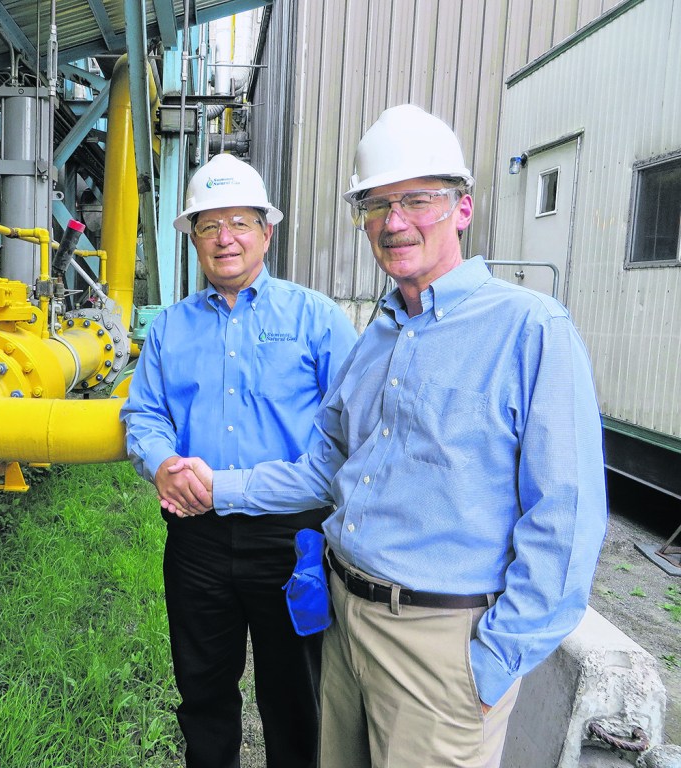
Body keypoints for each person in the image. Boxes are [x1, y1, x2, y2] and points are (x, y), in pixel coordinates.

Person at [167, 105, 608, 768]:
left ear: (462, 208)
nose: (395, 222)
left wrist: (495, 660)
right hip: (346, 625)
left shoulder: (529, 330)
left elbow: (566, 520)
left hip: (442, 647)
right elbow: (324, 469)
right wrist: (213, 487)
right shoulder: (377, 337)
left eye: (418, 200)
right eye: (376, 205)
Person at [120, 153, 358, 768]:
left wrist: (221, 486)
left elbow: (350, 437)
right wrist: (162, 463)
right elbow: (143, 415)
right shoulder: (170, 329)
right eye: (208, 225)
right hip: (195, 540)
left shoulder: (317, 320)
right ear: (193, 238)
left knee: (296, 697)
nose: (224, 237)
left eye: (239, 223)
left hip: (293, 541)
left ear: (266, 232)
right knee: (202, 691)